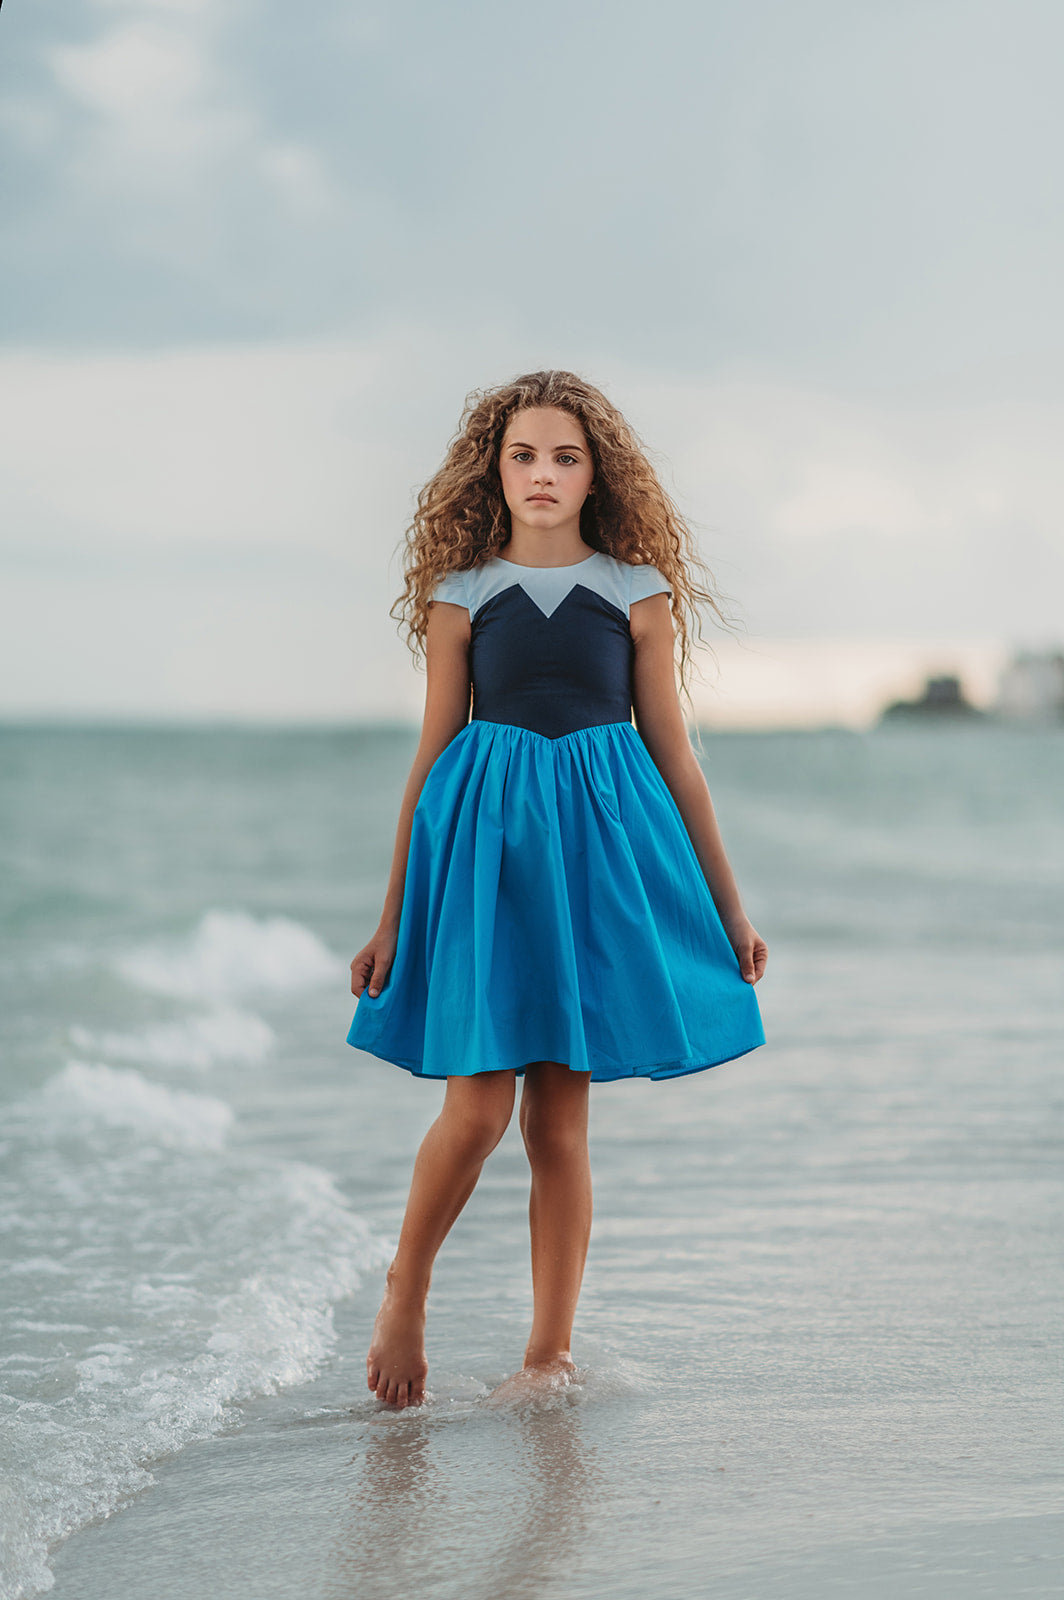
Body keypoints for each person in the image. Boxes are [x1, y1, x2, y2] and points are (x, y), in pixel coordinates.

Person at [348, 370, 767, 1409]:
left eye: (564, 457)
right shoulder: (462, 594)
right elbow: (430, 756)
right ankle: (406, 1287)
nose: (542, 473)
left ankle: (549, 1353)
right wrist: (392, 912)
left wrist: (728, 910)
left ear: (596, 474)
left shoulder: (635, 593)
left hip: (590, 859)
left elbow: (675, 758)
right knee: (478, 1108)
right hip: (483, 854)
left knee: (558, 1127)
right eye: (523, 455)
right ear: (493, 469)